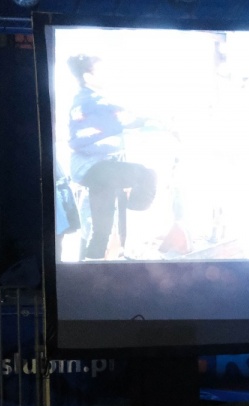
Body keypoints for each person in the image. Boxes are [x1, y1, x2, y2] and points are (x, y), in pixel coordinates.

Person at [66, 54, 157, 261]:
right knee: (146, 175)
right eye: (102, 71)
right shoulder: (93, 101)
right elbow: (124, 118)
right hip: (95, 168)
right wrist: (154, 121)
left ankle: (91, 261)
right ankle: (135, 212)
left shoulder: (84, 100)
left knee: (101, 230)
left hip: (95, 172)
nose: (108, 76)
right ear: (88, 77)